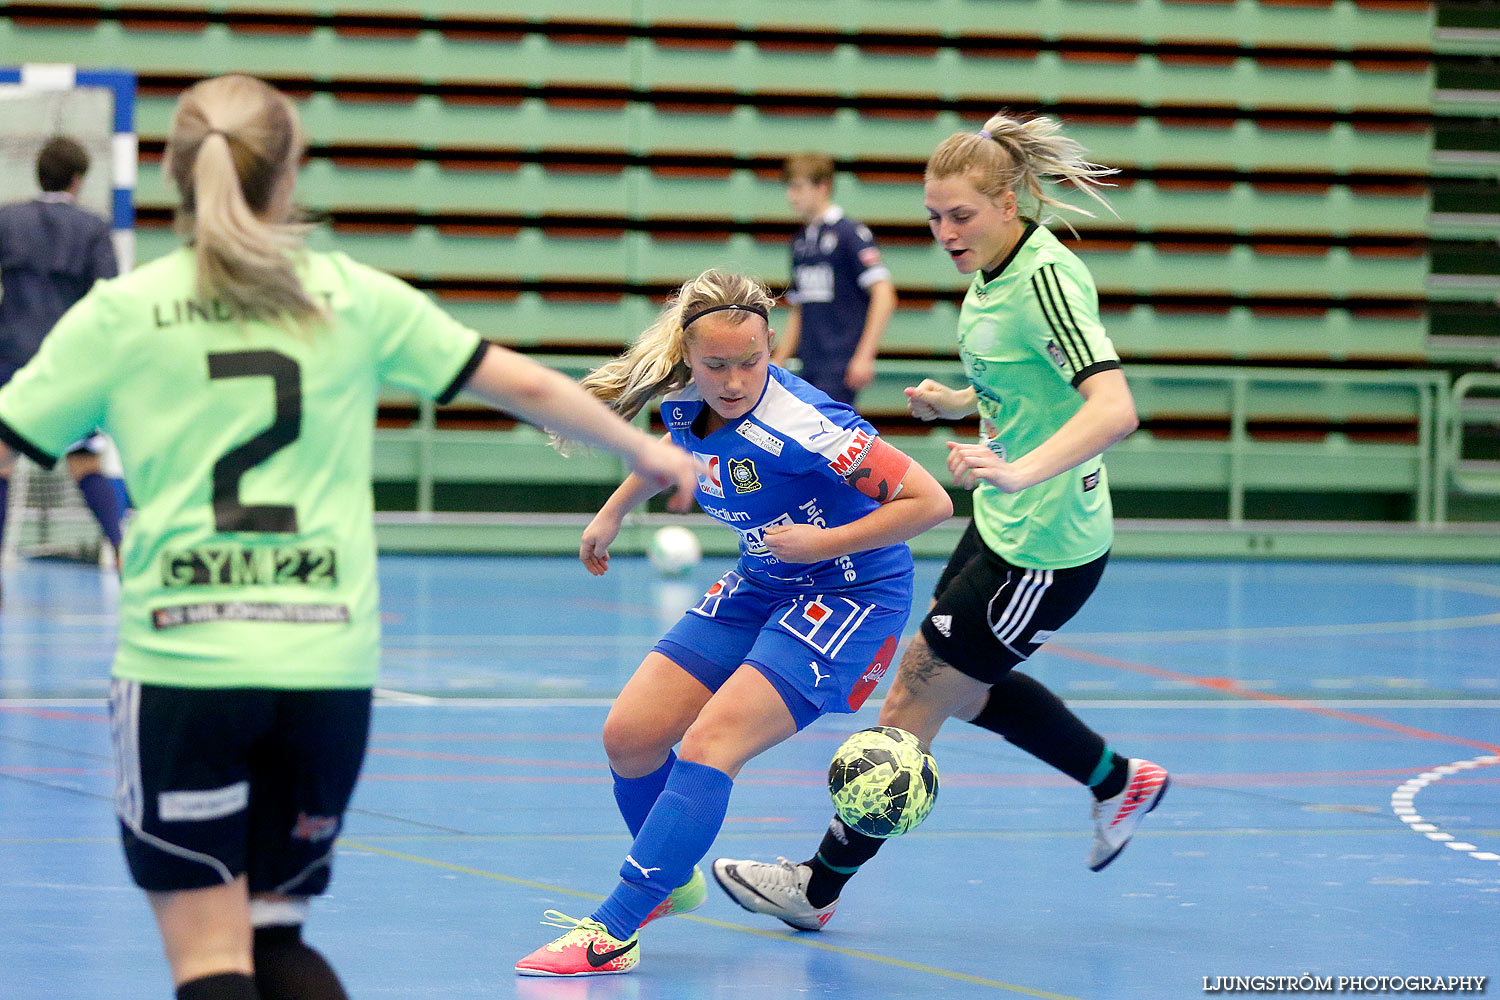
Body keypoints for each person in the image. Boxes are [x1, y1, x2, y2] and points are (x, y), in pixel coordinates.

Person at [0, 74, 699, 1000]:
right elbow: (520, 384)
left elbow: (13, 433)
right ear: (290, 177)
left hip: (186, 664)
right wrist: (646, 456)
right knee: (278, 940)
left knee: (211, 957)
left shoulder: (125, 313)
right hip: (324, 667)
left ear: (173, 175)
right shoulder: (351, 294)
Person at [712, 112, 1170, 932]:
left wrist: (1019, 467)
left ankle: (816, 888)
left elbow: (1115, 407)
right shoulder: (994, 272)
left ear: (1007, 202)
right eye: (933, 216)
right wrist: (960, 402)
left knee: (911, 707)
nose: (944, 232)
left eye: (960, 215)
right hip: (1006, 522)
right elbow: (1030, 382)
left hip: (1048, 546)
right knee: (951, 685)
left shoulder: (1047, 279)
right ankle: (1118, 780)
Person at [514, 268, 953, 977]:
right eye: (716, 364)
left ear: (771, 345)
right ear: (690, 355)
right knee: (628, 739)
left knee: (710, 742)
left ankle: (617, 927)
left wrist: (825, 542)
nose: (735, 378)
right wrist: (615, 509)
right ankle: (671, 875)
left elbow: (929, 502)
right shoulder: (686, 400)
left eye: (751, 360)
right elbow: (683, 451)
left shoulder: (812, 424)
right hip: (760, 578)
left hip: (848, 591)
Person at [0, 135, 124, 581]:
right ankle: (120, 547)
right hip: (67, 364)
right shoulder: (92, 229)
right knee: (86, 462)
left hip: (10, 360)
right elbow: (108, 296)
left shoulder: (7, 219)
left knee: (0, 459)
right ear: (77, 181)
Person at [773, 153, 897, 408]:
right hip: (809, 363)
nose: (790, 196)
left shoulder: (849, 234)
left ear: (823, 186)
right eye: (789, 187)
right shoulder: (800, 242)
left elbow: (884, 294)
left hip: (841, 363)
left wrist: (864, 356)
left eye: (798, 187)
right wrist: (778, 361)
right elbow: (800, 307)